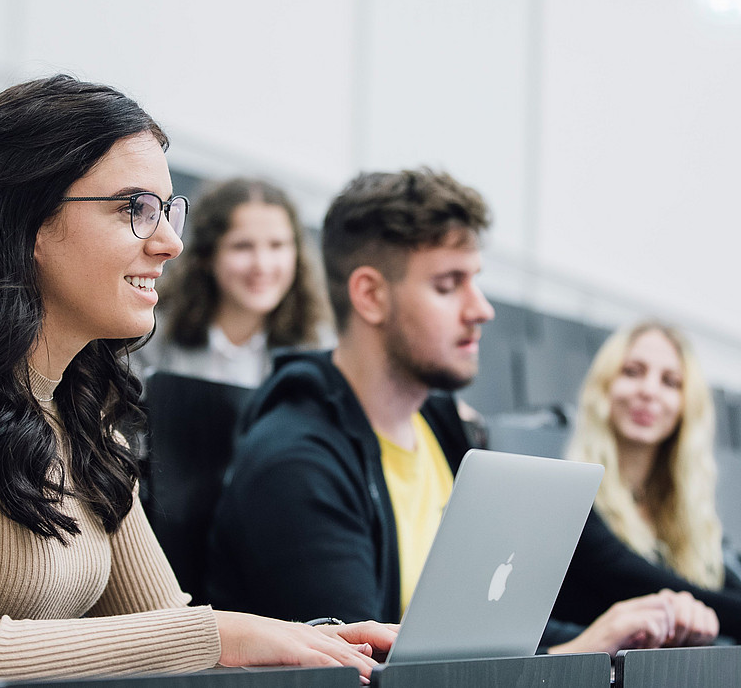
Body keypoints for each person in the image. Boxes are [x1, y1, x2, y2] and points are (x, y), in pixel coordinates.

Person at [0, 75, 396, 687]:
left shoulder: (82, 410)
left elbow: (168, 627)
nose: (170, 243)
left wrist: (308, 642)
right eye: (134, 209)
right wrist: (223, 634)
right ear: (29, 223)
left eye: (169, 211)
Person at [206, 168, 722, 656]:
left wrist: (610, 636)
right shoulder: (295, 463)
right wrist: (577, 650)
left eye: (475, 280)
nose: (481, 309)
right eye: (449, 285)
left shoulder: (445, 431)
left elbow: (475, 636)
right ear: (370, 295)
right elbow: (366, 671)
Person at [554, 322, 741, 629]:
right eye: (632, 372)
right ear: (603, 387)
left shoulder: (686, 513)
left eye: (670, 382)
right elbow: (647, 585)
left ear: (686, 406)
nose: (649, 391)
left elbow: (727, 589)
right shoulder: (570, 497)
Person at [136, 177, 330, 388]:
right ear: (207, 255)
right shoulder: (149, 340)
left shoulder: (319, 352)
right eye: (243, 246)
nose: (262, 265)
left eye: (277, 245)